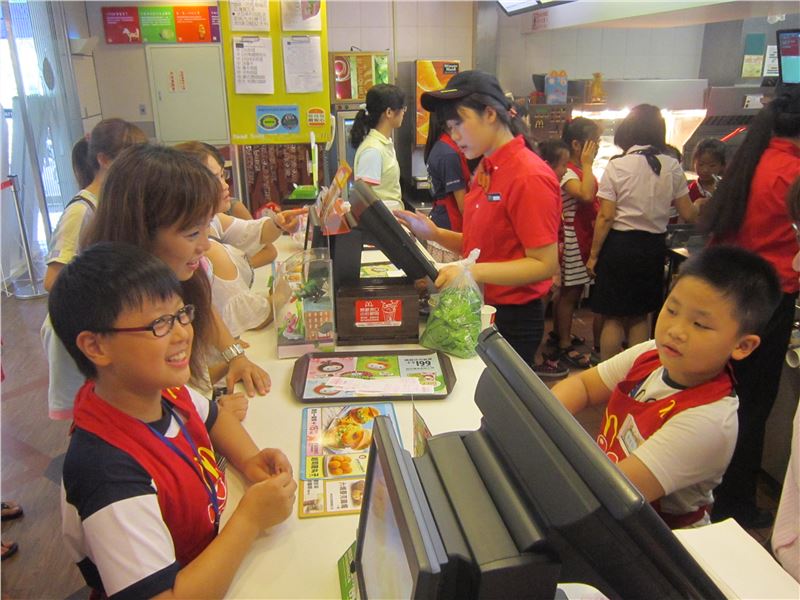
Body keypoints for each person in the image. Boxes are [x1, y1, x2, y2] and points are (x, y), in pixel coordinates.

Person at [50, 242, 296, 598]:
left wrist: (249, 459)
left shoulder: (158, 390)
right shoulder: (106, 469)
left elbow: (213, 418)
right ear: (96, 347)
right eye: (159, 324)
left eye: (182, 314)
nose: (183, 333)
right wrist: (250, 519)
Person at [552, 245, 781, 528]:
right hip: (610, 496)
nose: (675, 330)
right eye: (672, 310)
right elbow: (584, 386)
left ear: (742, 345)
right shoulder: (652, 354)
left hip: (659, 533)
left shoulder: (708, 421)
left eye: (700, 324)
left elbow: (612, 493)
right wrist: (542, 417)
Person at [82, 144, 271, 418]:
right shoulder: (118, 312)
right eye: (193, 233)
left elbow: (205, 311)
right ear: (142, 230)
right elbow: (145, 413)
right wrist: (206, 417)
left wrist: (233, 359)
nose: (206, 245)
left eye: (207, 227)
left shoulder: (179, 271)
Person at [397, 70, 561, 369]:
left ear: (490, 114)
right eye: (449, 127)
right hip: (483, 308)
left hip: (512, 319)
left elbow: (544, 264)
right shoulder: (487, 168)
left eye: (459, 123)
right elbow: (482, 247)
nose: (454, 135)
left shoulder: (528, 175)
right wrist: (434, 233)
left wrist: (469, 271)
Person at [700, 87, 800, 528]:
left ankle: (708, 491)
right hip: (771, 298)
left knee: (724, 394)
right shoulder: (793, 171)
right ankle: (734, 505)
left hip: (731, 291)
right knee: (752, 407)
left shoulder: (750, 160)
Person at [42, 118, 147, 419]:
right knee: (91, 413)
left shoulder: (116, 203)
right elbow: (53, 280)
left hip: (104, 323)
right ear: (103, 160)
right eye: (131, 158)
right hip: (80, 329)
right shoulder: (81, 211)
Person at [588, 104, 697, 361]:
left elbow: (605, 216)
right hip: (652, 247)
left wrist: (593, 255)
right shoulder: (671, 165)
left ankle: (610, 376)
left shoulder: (617, 166)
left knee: (613, 316)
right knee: (640, 315)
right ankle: (636, 374)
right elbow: (689, 213)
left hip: (619, 245)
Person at [174, 142, 303, 339]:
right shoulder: (210, 250)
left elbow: (253, 231)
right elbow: (253, 316)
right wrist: (281, 293)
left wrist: (278, 224)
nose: (225, 185)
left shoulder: (214, 219)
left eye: (222, 175)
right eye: (215, 179)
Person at [548, 118, 601, 371]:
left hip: (577, 236)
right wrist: (588, 165)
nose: (597, 147)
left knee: (569, 292)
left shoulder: (574, 169)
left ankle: (561, 333)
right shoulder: (568, 172)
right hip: (571, 239)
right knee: (570, 293)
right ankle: (564, 343)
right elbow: (587, 195)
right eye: (594, 142)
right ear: (578, 144)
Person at [351, 83, 407, 206]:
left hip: (391, 215)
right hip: (382, 218)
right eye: (402, 108)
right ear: (389, 112)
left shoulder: (384, 144)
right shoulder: (373, 151)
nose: (404, 112)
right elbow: (364, 201)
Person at [424, 111, 471, 231]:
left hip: (442, 219)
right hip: (450, 223)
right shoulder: (449, 154)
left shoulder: (442, 146)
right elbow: (463, 206)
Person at [687, 138, 726, 212]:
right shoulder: (689, 191)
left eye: (712, 165)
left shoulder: (727, 187)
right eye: (701, 164)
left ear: (722, 166)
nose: (705, 170)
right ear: (694, 163)